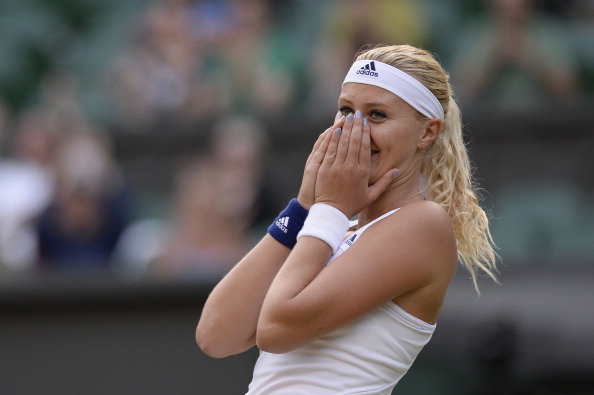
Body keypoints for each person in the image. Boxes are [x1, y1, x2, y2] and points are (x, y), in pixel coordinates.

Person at [196, 44, 498, 394]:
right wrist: (304, 207)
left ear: (427, 132)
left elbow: (276, 328)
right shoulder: (331, 228)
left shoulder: (423, 225)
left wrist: (328, 209)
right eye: (345, 110)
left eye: (377, 115)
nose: (354, 129)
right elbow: (216, 336)